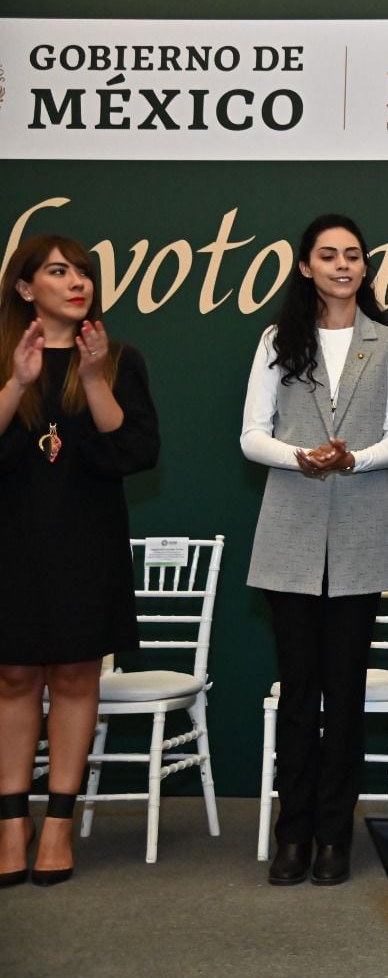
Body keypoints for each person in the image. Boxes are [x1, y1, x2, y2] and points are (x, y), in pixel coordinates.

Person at [242, 214, 388, 886]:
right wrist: (301, 457)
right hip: (289, 529)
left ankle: (335, 837)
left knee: (345, 695)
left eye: (353, 256)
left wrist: (353, 459)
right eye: (328, 255)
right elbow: (252, 435)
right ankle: (294, 834)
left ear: (365, 269)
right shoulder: (277, 339)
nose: (343, 265)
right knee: (297, 691)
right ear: (306, 266)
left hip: (363, 526)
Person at [0, 235, 160, 887]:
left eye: (85, 273)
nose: (78, 283)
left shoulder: (119, 358)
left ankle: (59, 824)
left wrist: (92, 378)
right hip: (11, 540)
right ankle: (12, 823)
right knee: (12, 677)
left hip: (86, 542)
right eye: (59, 271)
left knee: (73, 675)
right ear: (23, 287)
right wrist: (18, 381)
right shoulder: (8, 358)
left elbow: (134, 452)